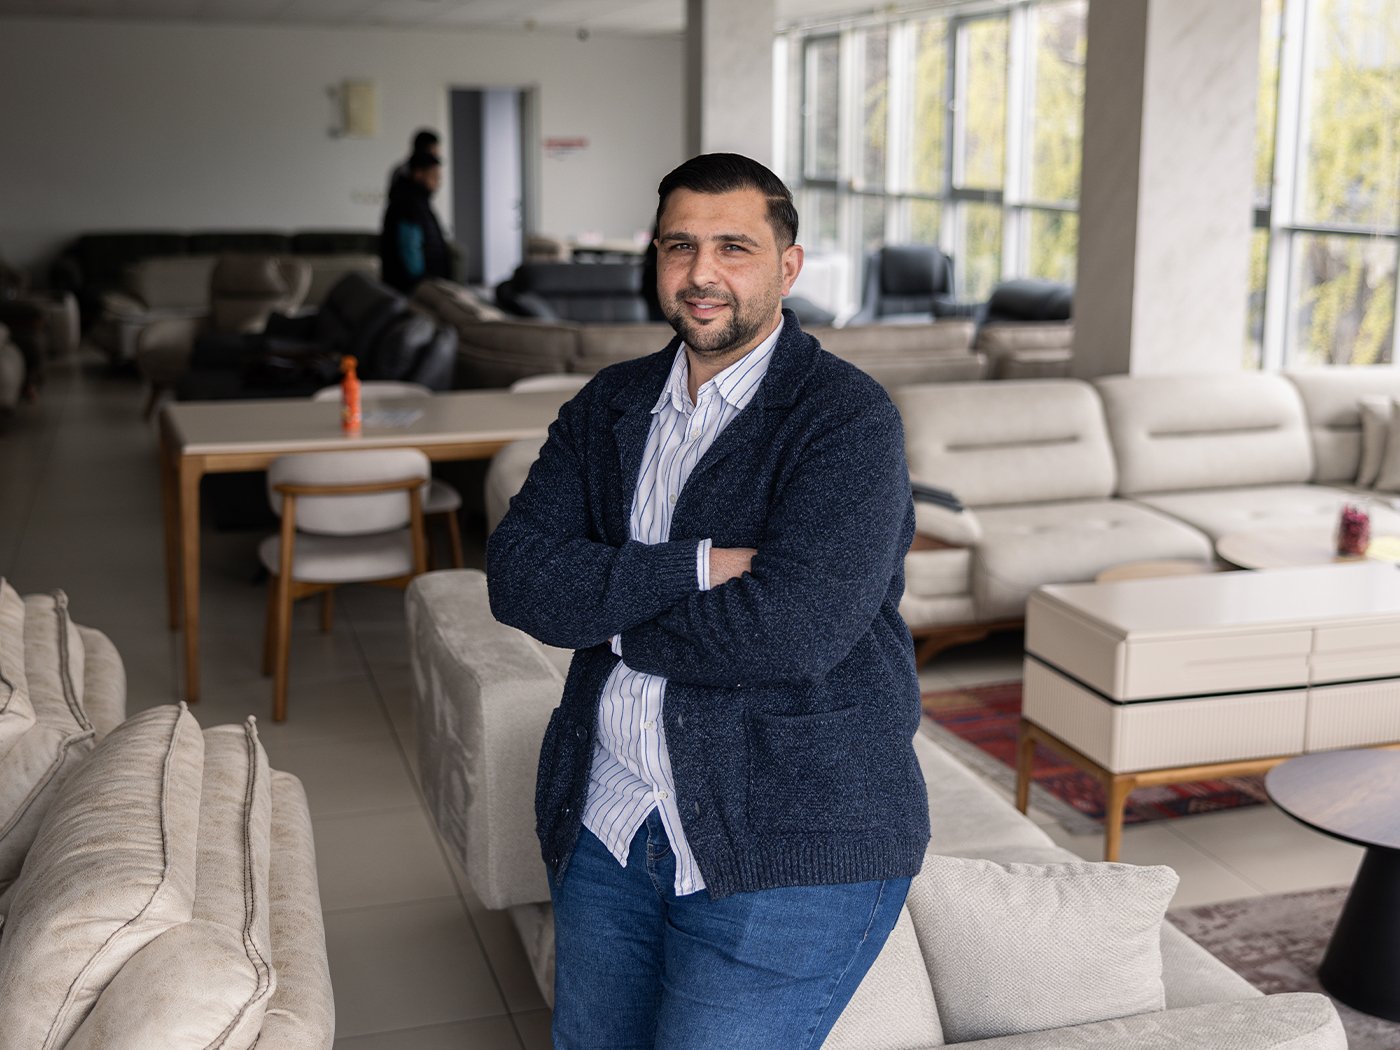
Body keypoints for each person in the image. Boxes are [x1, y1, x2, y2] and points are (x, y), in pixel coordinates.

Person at [486, 153, 929, 1048]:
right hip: (610, 823)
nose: (703, 274)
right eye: (679, 247)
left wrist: (604, 620)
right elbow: (519, 578)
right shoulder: (610, 404)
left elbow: (790, 632)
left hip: (793, 839)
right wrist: (694, 565)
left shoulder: (845, 420)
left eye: (735, 247)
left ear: (788, 266)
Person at [378, 150, 451, 294]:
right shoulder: (408, 204)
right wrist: (422, 284)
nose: (438, 183)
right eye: (434, 177)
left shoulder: (417, 200)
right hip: (415, 287)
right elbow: (409, 249)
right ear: (418, 174)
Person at [386, 127, 441, 198]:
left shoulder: (401, 169)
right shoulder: (403, 171)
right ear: (418, 174)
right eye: (434, 150)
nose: (436, 154)